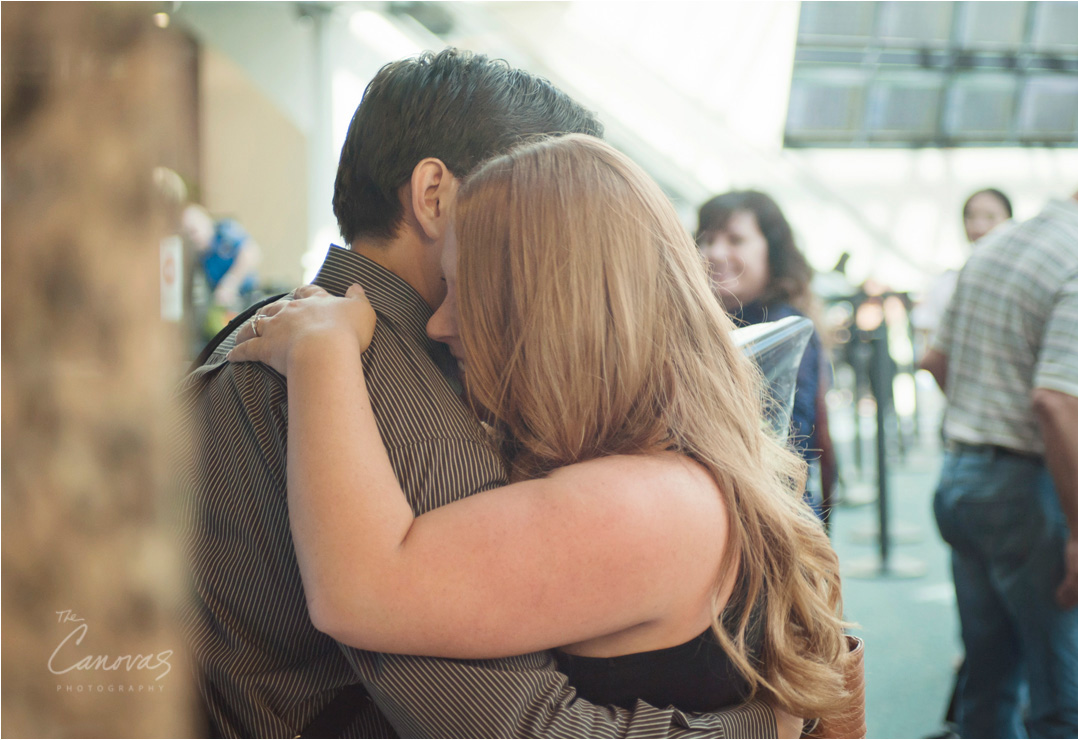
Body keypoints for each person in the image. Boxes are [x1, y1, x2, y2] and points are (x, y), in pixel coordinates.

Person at [175, 49, 789, 738]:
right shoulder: (392, 401)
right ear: (435, 195)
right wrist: (766, 722)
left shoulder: (284, 329)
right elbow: (519, 725)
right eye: (523, 183)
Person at [921, 145, 1078, 739]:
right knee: (1071, 697)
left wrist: (985, 420)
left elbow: (936, 359)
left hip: (962, 480)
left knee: (989, 683)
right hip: (1027, 493)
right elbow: (1058, 401)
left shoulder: (1000, 242)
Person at [696, 191, 837, 527]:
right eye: (708, 239)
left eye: (736, 239)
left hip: (770, 523)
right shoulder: (707, 323)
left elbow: (786, 444)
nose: (716, 253)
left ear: (771, 252)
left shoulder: (784, 329)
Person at [913, 188, 1013, 343]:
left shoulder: (1019, 282)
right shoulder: (947, 283)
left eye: (990, 217)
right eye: (971, 217)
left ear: (1010, 222)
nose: (979, 227)